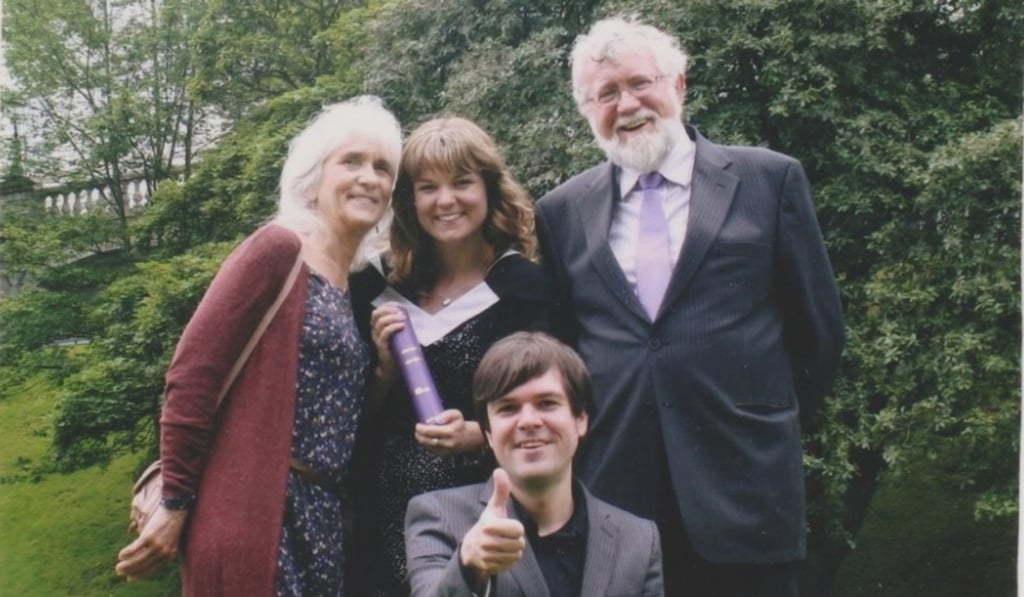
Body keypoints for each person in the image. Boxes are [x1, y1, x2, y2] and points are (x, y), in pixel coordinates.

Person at [533, 16, 846, 597]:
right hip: (616, 496)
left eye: (639, 83)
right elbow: (563, 349)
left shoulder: (768, 180)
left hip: (747, 489)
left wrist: (759, 416)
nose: (626, 104)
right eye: (605, 94)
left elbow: (819, 335)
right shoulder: (561, 211)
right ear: (587, 111)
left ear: (678, 84)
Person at [114, 96, 403, 596]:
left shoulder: (353, 287)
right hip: (254, 510)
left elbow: (337, 420)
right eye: (352, 161)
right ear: (313, 179)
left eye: (383, 167)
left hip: (323, 521)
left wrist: (383, 373)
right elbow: (192, 375)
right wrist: (175, 502)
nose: (369, 177)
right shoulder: (279, 249)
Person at [349, 117, 556, 596]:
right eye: (428, 188)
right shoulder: (376, 285)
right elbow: (351, 414)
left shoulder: (523, 289)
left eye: (462, 182)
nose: (446, 201)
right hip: (385, 506)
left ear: (488, 189)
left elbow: (549, 401)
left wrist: (478, 435)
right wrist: (382, 369)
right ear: (409, 200)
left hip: (483, 503)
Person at [404, 331, 663, 597]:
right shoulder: (439, 517)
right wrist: (467, 566)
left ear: (580, 419)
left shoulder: (639, 540)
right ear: (489, 433)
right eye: (508, 408)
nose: (528, 421)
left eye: (547, 404)